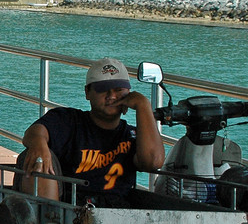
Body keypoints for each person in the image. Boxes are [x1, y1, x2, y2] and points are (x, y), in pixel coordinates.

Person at [16, 57, 164, 206]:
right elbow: (35, 132)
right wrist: (39, 146)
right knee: (37, 158)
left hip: (117, 214)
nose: (112, 96)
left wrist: (143, 105)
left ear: (129, 93)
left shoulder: (131, 135)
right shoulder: (68, 120)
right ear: (87, 92)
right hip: (67, 211)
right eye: (103, 90)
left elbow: (153, 162)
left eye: (118, 90)